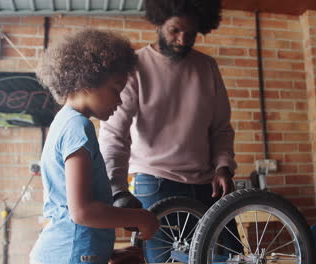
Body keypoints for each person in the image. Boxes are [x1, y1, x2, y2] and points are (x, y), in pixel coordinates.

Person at [98, 0, 240, 262]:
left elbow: (221, 128)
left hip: (207, 185)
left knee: (230, 258)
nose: (183, 39)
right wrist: (117, 188)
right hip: (155, 183)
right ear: (159, 23)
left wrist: (223, 167)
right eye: (175, 30)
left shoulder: (207, 68)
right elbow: (114, 133)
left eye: (191, 33)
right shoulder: (136, 67)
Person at [30, 29, 159, 264]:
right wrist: (141, 217)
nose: (120, 100)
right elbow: (82, 212)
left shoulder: (64, 122)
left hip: (71, 251)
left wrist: (107, 253)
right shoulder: (77, 127)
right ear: (88, 81)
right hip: (70, 254)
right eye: (116, 89)